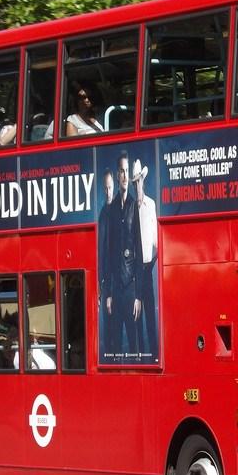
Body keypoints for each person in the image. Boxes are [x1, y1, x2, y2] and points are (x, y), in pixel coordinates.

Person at [105, 151, 143, 357]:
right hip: (116, 287)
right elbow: (110, 252)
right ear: (118, 175)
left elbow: (139, 248)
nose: (125, 175)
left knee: (134, 343)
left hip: (130, 286)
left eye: (127, 171)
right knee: (116, 345)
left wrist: (138, 296)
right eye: (122, 171)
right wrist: (109, 293)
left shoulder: (134, 206)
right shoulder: (111, 210)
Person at [133, 159, 158, 357]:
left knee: (150, 313)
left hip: (147, 267)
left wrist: (150, 264)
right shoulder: (130, 209)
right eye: (134, 182)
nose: (136, 185)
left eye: (138, 180)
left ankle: (153, 353)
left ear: (143, 180)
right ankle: (140, 354)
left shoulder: (151, 205)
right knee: (136, 316)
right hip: (135, 269)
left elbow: (156, 241)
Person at [97, 169, 115, 353]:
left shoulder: (119, 210)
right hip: (107, 281)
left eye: (111, 188)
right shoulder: (103, 215)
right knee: (109, 330)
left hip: (120, 281)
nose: (109, 192)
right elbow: (100, 251)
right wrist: (101, 287)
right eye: (106, 188)